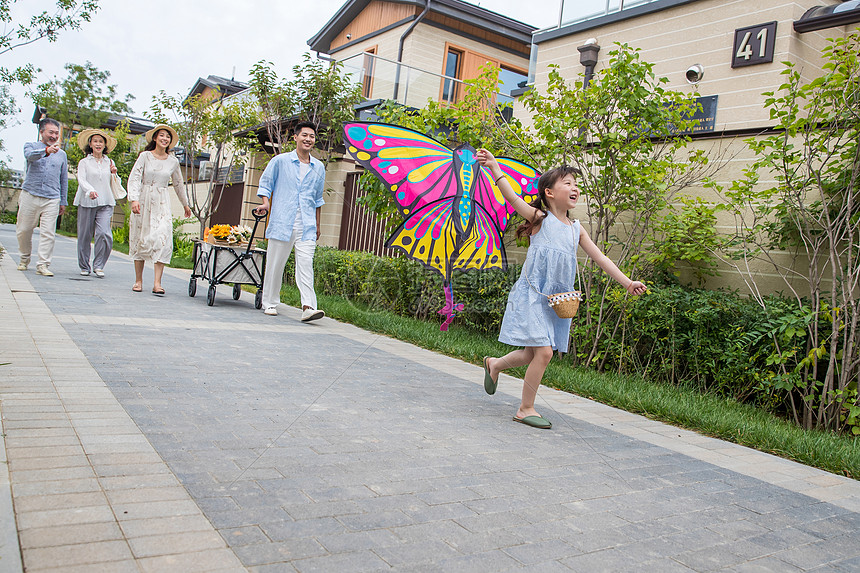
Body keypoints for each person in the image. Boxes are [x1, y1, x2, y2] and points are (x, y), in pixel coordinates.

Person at [476, 149, 647, 429]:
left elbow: (600, 258)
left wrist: (627, 282)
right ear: (549, 192)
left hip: (556, 300)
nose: (574, 187)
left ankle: (494, 364)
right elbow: (511, 196)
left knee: (531, 354)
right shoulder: (540, 219)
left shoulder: (576, 229)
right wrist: (494, 166)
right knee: (544, 353)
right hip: (532, 295)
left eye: (575, 184)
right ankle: (525, 408)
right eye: (567, 183)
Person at [255, 121, 326, 322]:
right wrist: (266, 203)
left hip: (307, 224)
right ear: (295, 137)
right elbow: (266, 183)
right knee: (276, 264)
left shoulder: (318, 167)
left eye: (312, 136)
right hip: (282, 221)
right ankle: (269, 302)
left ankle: (308, 306)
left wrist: (317, 225)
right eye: (304, 135)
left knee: (305, 264)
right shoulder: (280, 161)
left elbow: (317, 198)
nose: (308, 139)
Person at [127, 124, 192, 295]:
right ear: (155, 138)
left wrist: (185, 204)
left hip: (162, 202)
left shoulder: (173, 161)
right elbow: (134, 178)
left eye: (168, 137)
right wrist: (133, 198)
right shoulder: (145, 156)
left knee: (163, 238)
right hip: (143, 200)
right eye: (162, 135)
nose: (165, 139)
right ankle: (138, 280)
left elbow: (178, 183)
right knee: (140, 238)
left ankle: (157, 283)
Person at [16, 118, 69, 276]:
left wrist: (63, 201)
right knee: (24, 230)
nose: (54, 136)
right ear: (42, 132)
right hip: (30, 194)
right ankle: (24, 259)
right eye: (51, 132)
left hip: (52, 198)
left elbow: (63, 178)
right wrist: (46, 151)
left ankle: (43, 264)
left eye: (56, 133)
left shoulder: (62, 155)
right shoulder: (31, 146)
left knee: (48, 233)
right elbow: (29, 157)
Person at [74, 128, 118, 278]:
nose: (98, 144)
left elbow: (114, 183)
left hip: (106, 201)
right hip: (87, 201)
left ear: (105, 145)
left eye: (101, 141)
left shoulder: (110, 162)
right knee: (85, 235)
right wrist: (90, 190)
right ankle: (84, 266)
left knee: (104, 233)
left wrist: (114, 173)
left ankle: (99, 265)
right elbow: (82, 179)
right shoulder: (84, 162)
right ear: (90, 144)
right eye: (95, 141)